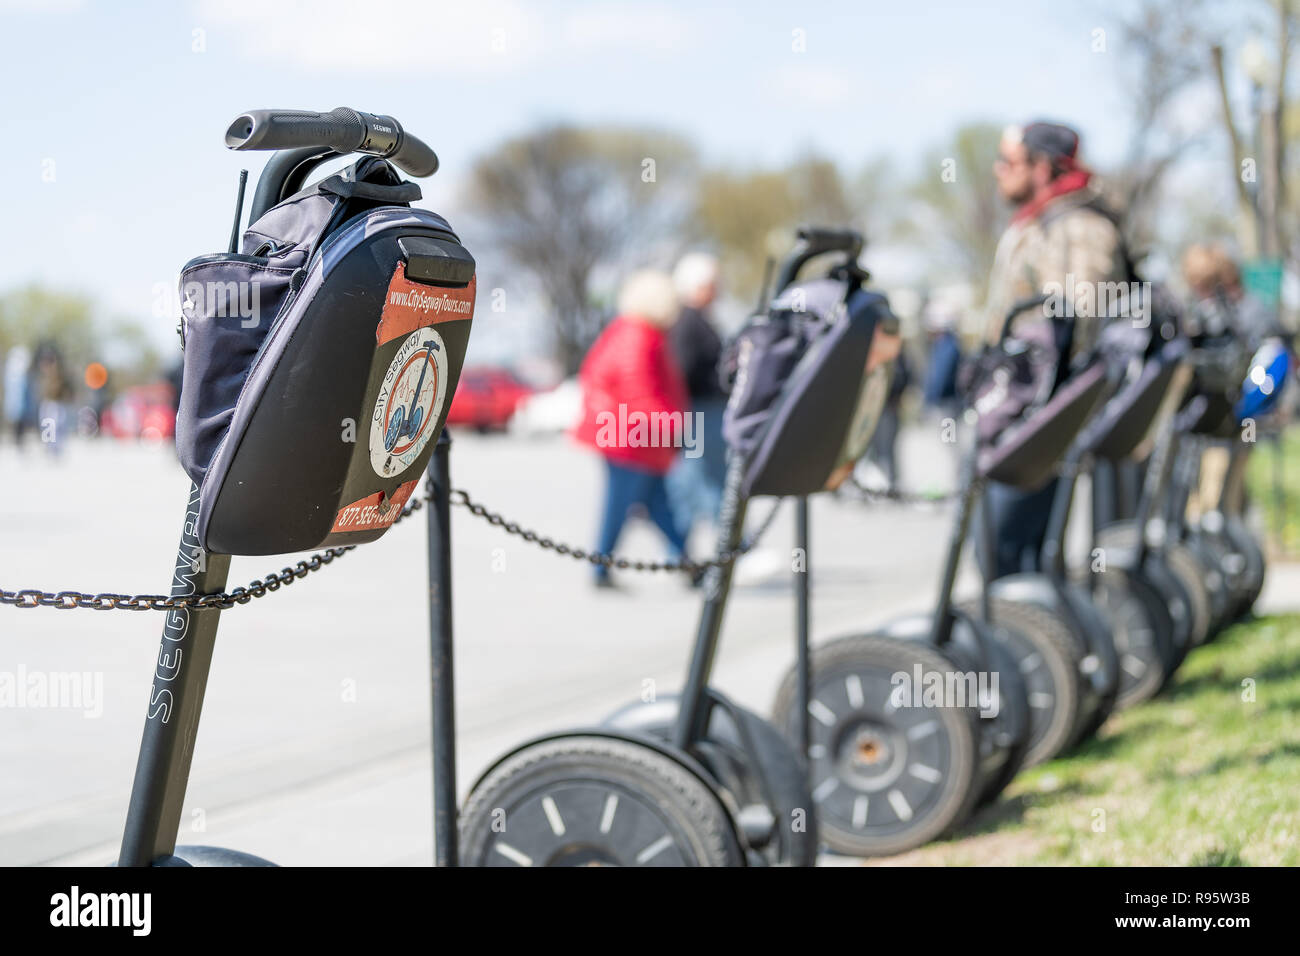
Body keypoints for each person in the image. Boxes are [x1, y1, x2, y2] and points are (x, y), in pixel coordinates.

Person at [981, 120, 1129, 579]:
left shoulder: (1075, 225)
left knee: (1008, 555)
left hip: (1037, 416)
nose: (997, 170)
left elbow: (1074, 326)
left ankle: (1032, 641)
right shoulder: (1049, 220)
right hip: (1026, 411)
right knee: (1009, 553)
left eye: (1008, 161)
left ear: (1042, 166)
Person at [575, 269, 691, 588]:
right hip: (631, 437)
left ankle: (687, 562)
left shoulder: (634, 331)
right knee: (625, 503)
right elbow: (638, 390)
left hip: (635, 436)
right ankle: (601, 567)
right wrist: (673, 427)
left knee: (655, 503)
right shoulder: (638, 335)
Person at [666, 252, 728, 541]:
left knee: (695, 480)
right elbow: (685, 369)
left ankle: (682, 551)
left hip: (700, 411)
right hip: (701, 411)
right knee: (705, 480)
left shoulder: (692, 320)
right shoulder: (690, 322)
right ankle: (726, 547)